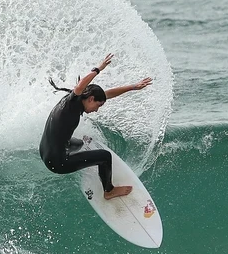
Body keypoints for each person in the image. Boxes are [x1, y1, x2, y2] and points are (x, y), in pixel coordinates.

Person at [40, 53, 153, 200]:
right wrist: (98, 68)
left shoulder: (73, 101)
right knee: (105, 156)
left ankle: (78, 158)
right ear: (91, 98)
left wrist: (133, 87)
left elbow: (107, 94)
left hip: (44, 152)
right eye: (98, 105)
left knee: (79, 143)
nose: (97, 110)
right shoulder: (73, 103)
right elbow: (81, 86)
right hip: (57, 164)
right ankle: (109, 191)